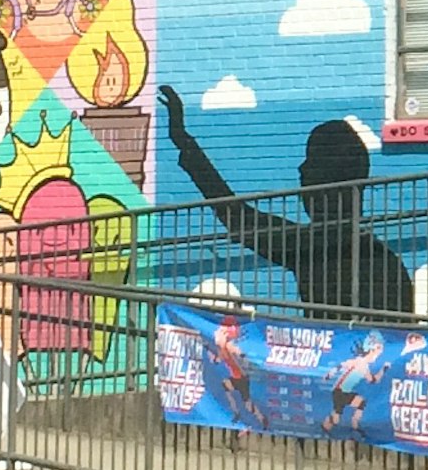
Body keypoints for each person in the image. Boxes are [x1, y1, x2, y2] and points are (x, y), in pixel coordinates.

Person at [157, 88, 413, 317]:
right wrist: (183, 141)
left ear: (330, 181)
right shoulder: (369, 256)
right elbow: (240, 218)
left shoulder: (313, 247)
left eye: (311, 161)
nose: (301, 170)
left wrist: (183, 140)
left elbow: (239, 217)